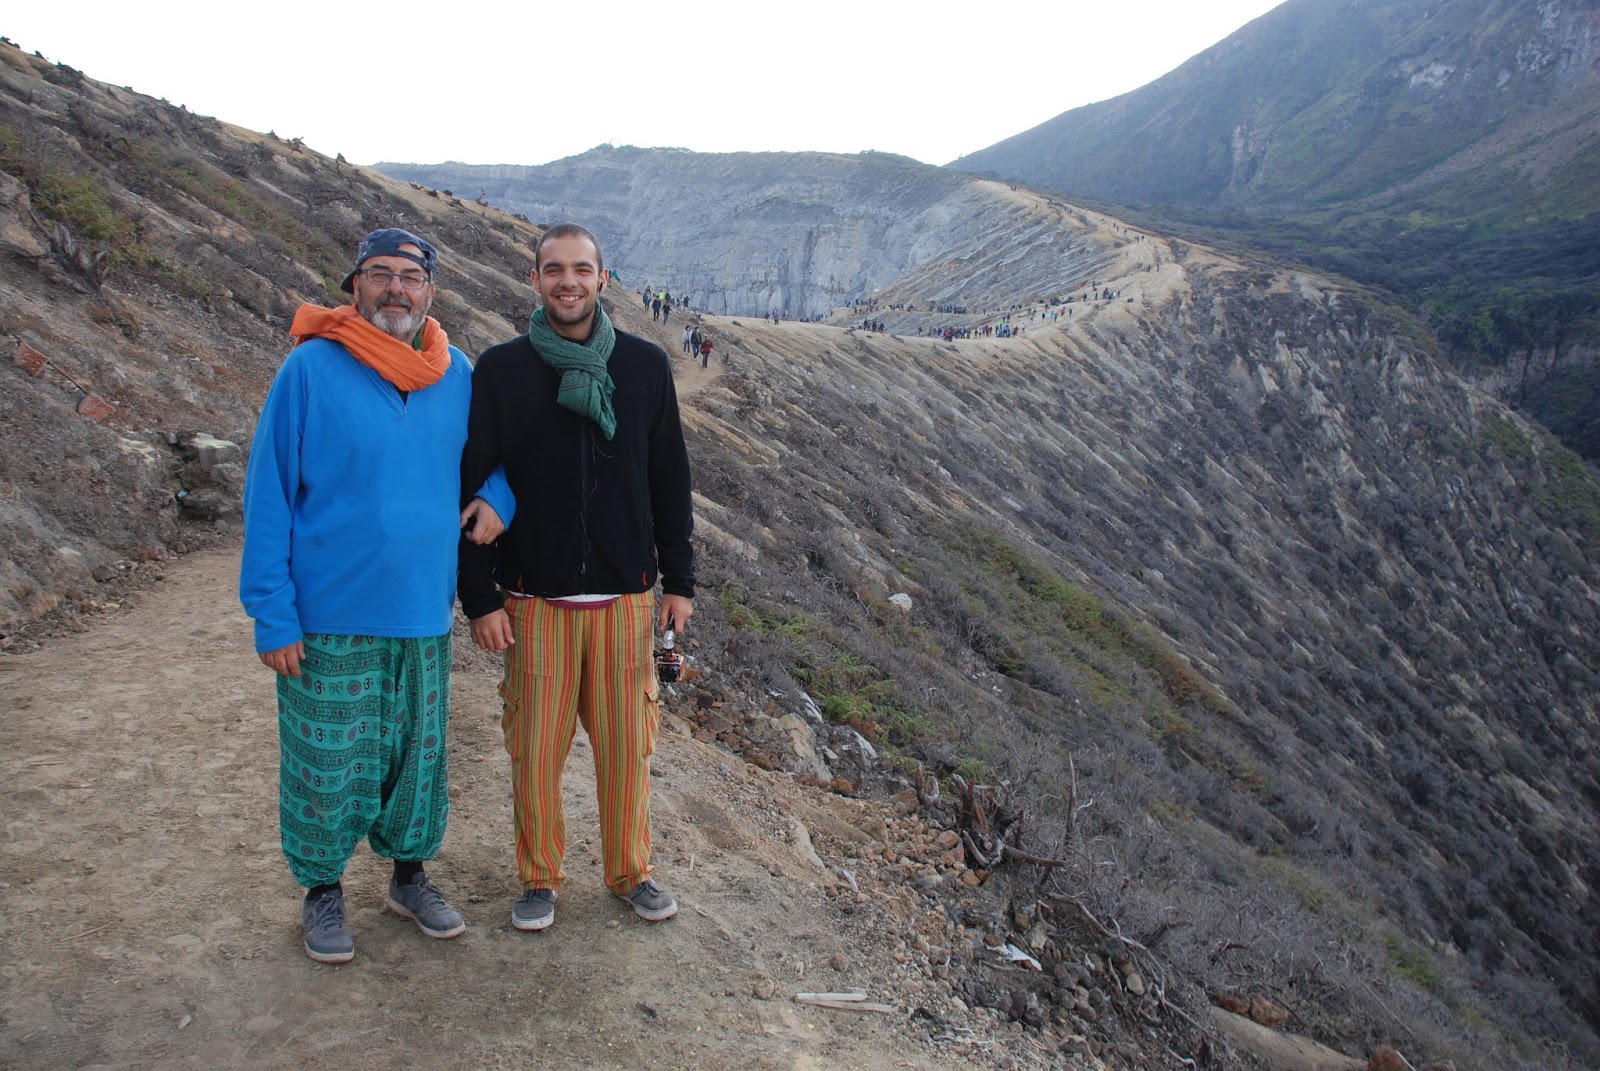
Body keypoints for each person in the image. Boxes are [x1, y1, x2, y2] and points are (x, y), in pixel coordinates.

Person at [240, 227, 514, 964]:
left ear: (430, 291)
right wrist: (272, 612)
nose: (396, 288)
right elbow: (269, 493)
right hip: (326, 616)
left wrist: (499, 498)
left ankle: (409, 877)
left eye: (410, 276)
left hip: (422, 613)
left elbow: (501, 458)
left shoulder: (455, 371)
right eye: (380, 274)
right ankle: (322, 889)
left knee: (416, 760)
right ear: (355, 285)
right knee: (325, 764)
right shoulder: (309, 368)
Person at [459, 223, 694, 932]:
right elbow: (470, 487)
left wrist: (679, 581)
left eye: (581, 269)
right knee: (534, 754)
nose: (568, 282)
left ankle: (631, 871)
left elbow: (669, 479)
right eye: (554, 269)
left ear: (602, 278)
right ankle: (539, 878)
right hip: (534, 603)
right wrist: (480, 596)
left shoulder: (644, 366)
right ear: (535, 279)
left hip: (626, 602)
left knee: (627, 752)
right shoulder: (501, 370)